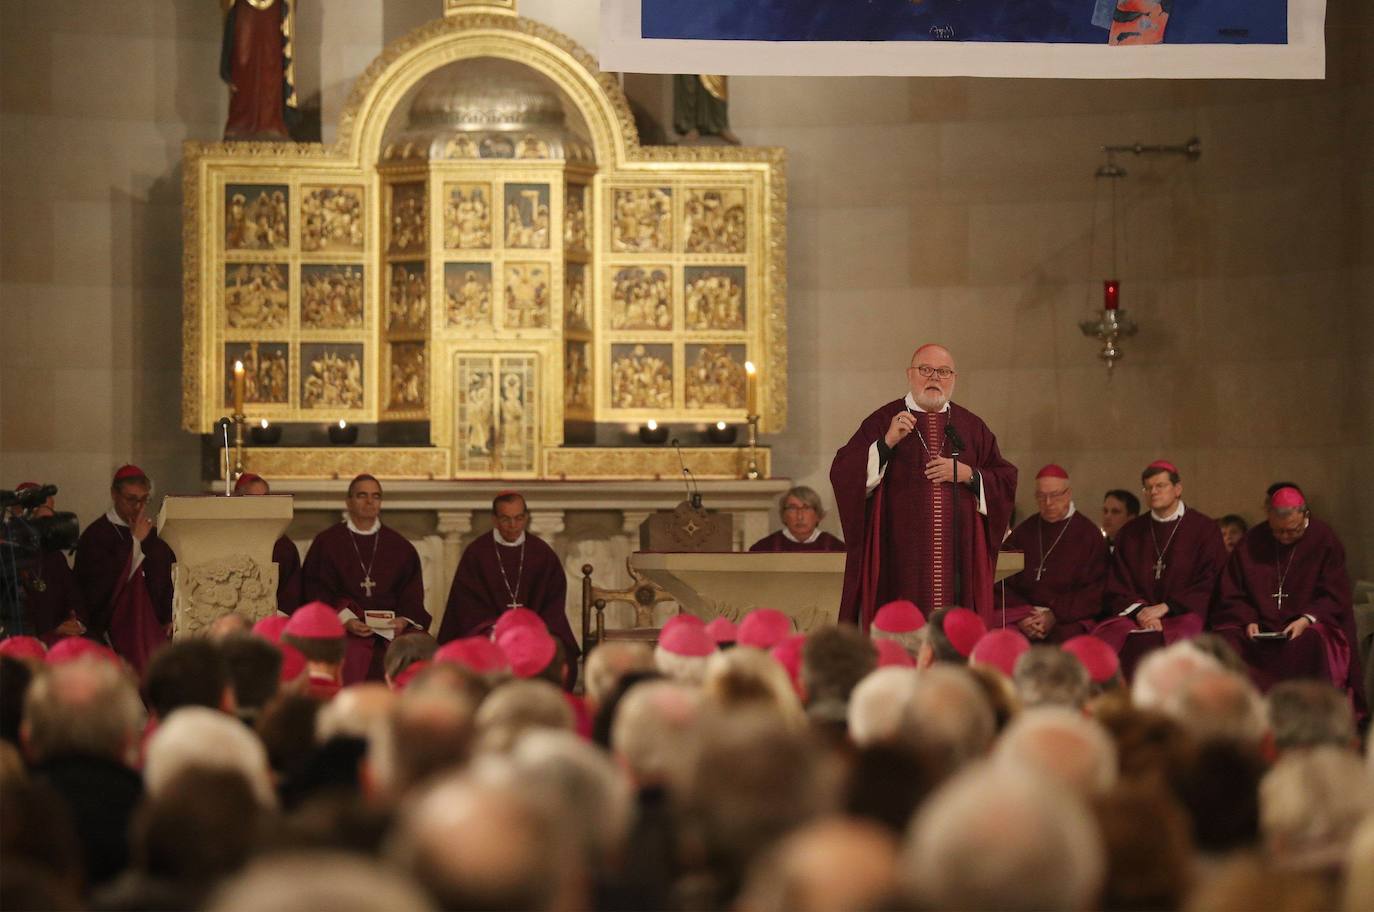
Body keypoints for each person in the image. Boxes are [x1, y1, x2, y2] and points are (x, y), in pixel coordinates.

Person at [830, 344, 1017, 629]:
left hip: (959, 556)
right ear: (910, 374)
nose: (934, 378)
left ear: (954, 378)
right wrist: (887, 443)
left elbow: (1005, 479)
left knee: (954, 634)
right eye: (926, 370)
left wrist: (969, 474)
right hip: (898, 555)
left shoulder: (971, 427)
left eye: (943, 372)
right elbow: (843, 472)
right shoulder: (883, 420)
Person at [1209, 486, 1364, 708]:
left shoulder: (1324, 539)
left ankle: (1309, 711)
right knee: (1228, 638)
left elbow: (1334, 592)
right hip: (1259, 623)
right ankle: (1242, 713)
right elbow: (1232, 589)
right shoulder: (1253, 540)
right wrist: (1247, 619)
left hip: (1307, 622)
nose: (1283, 537)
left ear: (1304, 515)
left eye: (1292, 531)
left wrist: (1306, 619)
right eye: (1277, 531)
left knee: (1310, 641)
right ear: (1269, 518)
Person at [1094, 461, 1227, 671]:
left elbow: (1210, 580)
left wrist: (1166, 607)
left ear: (1177, 489)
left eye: (1160, 486)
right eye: (1148, 488)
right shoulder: (1130, 533)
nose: (1153, 492)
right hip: (1138, 615)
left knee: (1183, 638)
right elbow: (1117, 582)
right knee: (1108, 637)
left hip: (1182, 614)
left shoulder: (1204, 529)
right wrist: (1141, 612)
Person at [438, 491, 579, 685]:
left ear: (526, 518)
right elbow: (466, 604)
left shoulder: (542, 553)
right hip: (489, 630)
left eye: (518, 518)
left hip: (535, 628)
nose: (513, 525)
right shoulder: (477, 553)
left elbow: (553, 602)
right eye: (506, 519)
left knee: (559, 650)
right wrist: (494, 629)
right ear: (495, 520)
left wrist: (535, 627)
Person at [300, 474, 428, 685]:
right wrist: (346, 620)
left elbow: (412, 593)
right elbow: (316, 590)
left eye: (375, 496)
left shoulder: (400, 546)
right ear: (348, 501)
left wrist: (403, 620)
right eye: (362, 495)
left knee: (418, 649)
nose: (370, 502)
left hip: (391, 628)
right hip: (347, 625)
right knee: (351, 650)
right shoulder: (328, 542)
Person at [73, 465, 175, 674]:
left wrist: (168, 617)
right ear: (114, 494)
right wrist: (135, 542)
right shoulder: (96, 536)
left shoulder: (155, 538)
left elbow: (166, 579)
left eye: (144, 500)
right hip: (112, 633)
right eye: (131, 499)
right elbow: (96, 589)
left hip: (152, 633)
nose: (138, 507)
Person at [996, 465, 1109, 642]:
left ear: (1068, 494)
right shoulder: (1023, 533)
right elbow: (1001, 581)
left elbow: (1095, 590)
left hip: (1067, 618)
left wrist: (1055, 614)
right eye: (1041, 496)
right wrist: (1023, 615)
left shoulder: (1089, 535)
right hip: (1023, 616)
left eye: (1055, 495)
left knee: (1069, 638)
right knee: (1002, 638)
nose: (1048, 502)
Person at [7, 481, 85, 644]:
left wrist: (75, 622)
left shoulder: (55, 557)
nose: (50, 521)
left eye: (52, 513)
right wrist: (52, 631)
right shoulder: (7, 557)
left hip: (58, 645)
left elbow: (75, 600)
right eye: (43, 513)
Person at [233, 472, 301, 613]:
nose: (262, 504)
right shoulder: (227, 538)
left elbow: (291, 594)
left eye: (265, 497)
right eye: (255, 499)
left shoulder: (283, 545)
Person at [748, 486, 845, 553]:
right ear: (783, 515)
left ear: (818, 515)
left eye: (806, 508)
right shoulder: (764, 548)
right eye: (793, 508)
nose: (800, 516)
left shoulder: (836, 548)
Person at [1101, 489, 1140, 554]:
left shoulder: (1142, 549)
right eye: (1105, 511)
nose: (1107, 516)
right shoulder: (1096, 547)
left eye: (1115, 512)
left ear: (1131, 519)